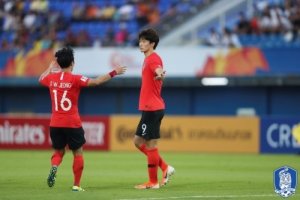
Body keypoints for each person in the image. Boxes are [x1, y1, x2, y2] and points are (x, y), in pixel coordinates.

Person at [39, 47, 126, 192]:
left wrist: (49, 68)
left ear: (59, 64)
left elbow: (40, 79)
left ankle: (54, 167)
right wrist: (114, 72)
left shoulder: (51, 78)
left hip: (55, 123)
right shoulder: (76, 78)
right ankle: (76, 185)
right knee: (77, 153)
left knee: (59, 152)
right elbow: (97, 81)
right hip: (72, 122)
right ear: (72, 63)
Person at [133, 28, 175, 189]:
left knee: (150, 146)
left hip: (152, 108)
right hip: (151, 107)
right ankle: (165, 167)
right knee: (138, 141)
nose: (141, 44)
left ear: (152, 44)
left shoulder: (152, 59)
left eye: (145, 41)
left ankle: (153, 182)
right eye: (140, 41)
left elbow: (158, 69)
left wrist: (160, 74)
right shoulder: (148, 58)